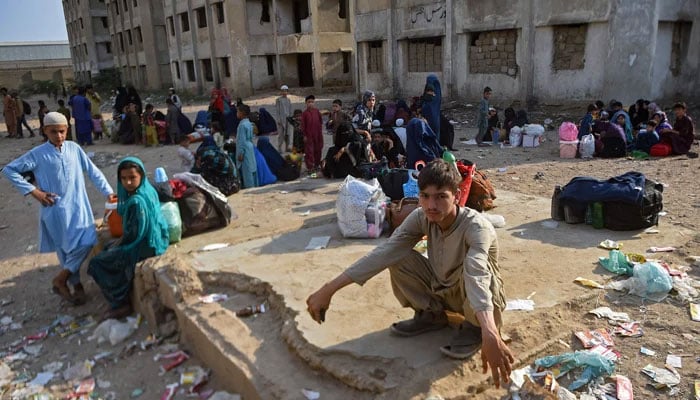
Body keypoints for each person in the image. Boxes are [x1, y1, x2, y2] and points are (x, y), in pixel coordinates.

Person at [307, 159, 514, 386]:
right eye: (425, 196)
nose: (431, 205)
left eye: (440, 197)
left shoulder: (476, 227)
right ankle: (432, 315)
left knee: (473, 269)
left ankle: (475, 329)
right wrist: (328, 290)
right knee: (397, 254)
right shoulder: (421, 217)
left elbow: (477, 275)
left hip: (477, 296)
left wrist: (490, 333)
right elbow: (384, 253)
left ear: (456, 195)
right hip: (443, 288)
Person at [2, 112, 115, 305]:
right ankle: (76, 286)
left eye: (62, 131)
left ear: (67, 130)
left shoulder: (74, 148)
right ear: (45, 131)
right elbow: (9, 170)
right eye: (53, 132)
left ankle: (60, 278)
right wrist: (35, 192)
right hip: (54, 209)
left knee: (87, 240)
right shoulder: (38, 154)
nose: (59, 136)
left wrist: (108, 192)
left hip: (79, 205)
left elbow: (92, 171)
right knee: (64, 249)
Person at [88, 157, 169, 320]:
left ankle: (120, 303)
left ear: (141, 176)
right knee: (107, 248)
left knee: (97, 264)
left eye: (132, 178)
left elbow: (134, 236)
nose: (128, 182)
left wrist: (119, 243)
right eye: (124, 178)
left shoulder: (136, 202)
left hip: (145, 246)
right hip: (158, 240)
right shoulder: (147, 190)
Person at [235, 104, 258, 188]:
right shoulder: (249, 123)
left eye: (238, 111)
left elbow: (241, 140)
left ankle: (249, 186)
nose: (236, 113)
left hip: (244, 148)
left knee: (247, 170)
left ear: (242, 113)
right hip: (250, 147)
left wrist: (240, 153)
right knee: (252, 168)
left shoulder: (242, 125)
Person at [301, 95, 324, 173]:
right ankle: (310, 167)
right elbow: (303, 125)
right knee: (309, 151)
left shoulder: (317, 111)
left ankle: (317, 165)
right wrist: (304, 135)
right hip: (309, 135)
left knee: (318, 149)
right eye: (309, 102)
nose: (310, 103)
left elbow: (320, 122)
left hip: (318, 134)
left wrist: (320, 133)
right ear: (306, 103)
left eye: (312, 102)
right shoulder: (304, 114)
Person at [421, 75, 442, 143]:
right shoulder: (433, 92)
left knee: (433, 131)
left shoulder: (436, 94)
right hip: (429, 116)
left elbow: (429, 103)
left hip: (433, 117)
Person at [275, 85, 293, 153]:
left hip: (287, 119)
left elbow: (290, 109)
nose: (284, 92)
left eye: (285, 91)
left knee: (287, 134)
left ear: (287, 91)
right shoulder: (278, 100)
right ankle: (279, 148)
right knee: (281, 135)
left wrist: (291, 118)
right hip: (281, 120)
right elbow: (277, 110)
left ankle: (287, 147)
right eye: (283, 91)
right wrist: (278, 119)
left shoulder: (288, 100)